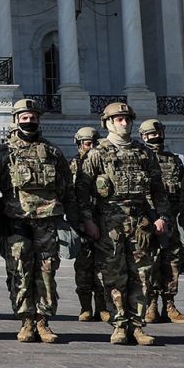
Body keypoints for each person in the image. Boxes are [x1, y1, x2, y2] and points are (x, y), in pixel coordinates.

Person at [78, 102, 172, 347]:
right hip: (109, 221)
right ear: (108, 123)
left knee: (142, 275)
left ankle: (138, 325)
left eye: (127, 119)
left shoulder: (143, 153)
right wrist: (88, 220)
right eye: (119, 119)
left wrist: (162, 216)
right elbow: (82, 191)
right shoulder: (97, 153)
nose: (124, 123)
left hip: (139, 222)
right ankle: (119, 324)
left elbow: (158, 189)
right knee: (113, 276)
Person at [0, 98, 76, 343]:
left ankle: (43, 320)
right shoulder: (3, 153)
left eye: (33, 117)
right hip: (16, 222)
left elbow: (67, 188)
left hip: (47, 222)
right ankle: (26, 321)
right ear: (16, 120)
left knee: (47, 273)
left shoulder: (52, 152)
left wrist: (76, 220)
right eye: (24, 117)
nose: (29, 121)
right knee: (19, 272)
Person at [140, 119, 184, 325]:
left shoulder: (174, 160)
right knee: (150, 263)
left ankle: (169, 305)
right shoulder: (141, 159)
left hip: (170, 221)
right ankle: (151, 304)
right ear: (143, 136)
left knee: (172, 262)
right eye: (151, 134)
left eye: (158, 133)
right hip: (148, 222)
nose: (156, 137)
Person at [70, 126, 108, 321]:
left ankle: (102, 307)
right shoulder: (73, 166)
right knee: (84, 267)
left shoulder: (104, 163)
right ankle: (85, 307)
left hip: (102, 219)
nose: (91, 147)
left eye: (94, 143)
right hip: (81, 222)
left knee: (103, 266)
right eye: (87, 144)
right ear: (79, 145)